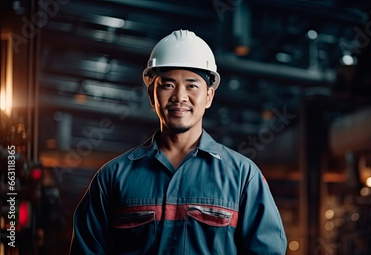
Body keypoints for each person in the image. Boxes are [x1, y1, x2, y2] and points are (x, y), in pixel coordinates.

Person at [69, 29, 287, 254]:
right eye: (168, 85)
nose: (179, 97)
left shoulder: (243, 177)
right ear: (152, 94)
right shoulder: (112, 178)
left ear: (209, 96)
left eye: (192, 85)